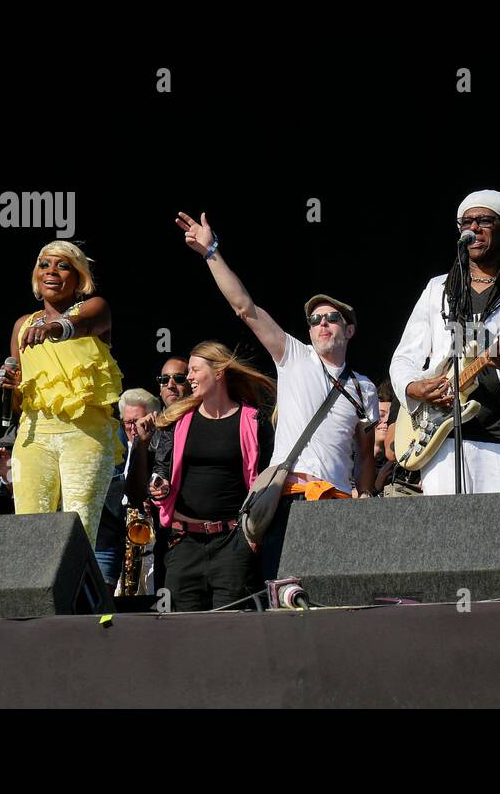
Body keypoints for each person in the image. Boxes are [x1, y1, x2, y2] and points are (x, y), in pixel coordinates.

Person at [173, 211, 376, 582]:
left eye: (330, 318)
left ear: (349, 330)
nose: (322, 324)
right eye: (314, 320)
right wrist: (211, 252)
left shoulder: (364, 387)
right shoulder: (294, 357)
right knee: (285, 597)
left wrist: (364, 495)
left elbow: (365, 454)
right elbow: (244, 307)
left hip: (339, 504)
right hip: (291, 497)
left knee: (335, 598)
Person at [390, 189, 500, 497]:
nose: (474, 227)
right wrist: (413, 389)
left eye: (484, 220)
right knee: (442, 537)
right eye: (467, 221)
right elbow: (403, 359)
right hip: (441, 433)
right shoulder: (438, 289)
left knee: (498, 539)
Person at [0, 240, 125, 545]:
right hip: (34, 435)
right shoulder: (22, 325)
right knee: (30, 534)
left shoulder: (95, 307)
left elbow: (83, 323)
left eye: (63, 265)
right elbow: (19, 403)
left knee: (79, 530)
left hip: (85, 435)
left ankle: (78, 593)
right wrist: (13, 385)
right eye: (45, 265)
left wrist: (56, 327)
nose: (51, 271)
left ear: (79, 278)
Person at [131, 342, 275, 611]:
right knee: (184, 633)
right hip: (184, 544)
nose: (189, 378)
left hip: (233, 543)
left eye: (195, 370)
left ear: (219, 372)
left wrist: (252, 535)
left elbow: (264, 479)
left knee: (230, 629)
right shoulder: (177, 420)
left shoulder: (253, 421)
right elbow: (160, 469)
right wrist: (159, 485)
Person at [94, 388, 163, 590]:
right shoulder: (110, 445)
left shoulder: (162, 446)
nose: (134, 428)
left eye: (139, 422)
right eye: (128, 423)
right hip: (110, 538)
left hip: (147, 542)